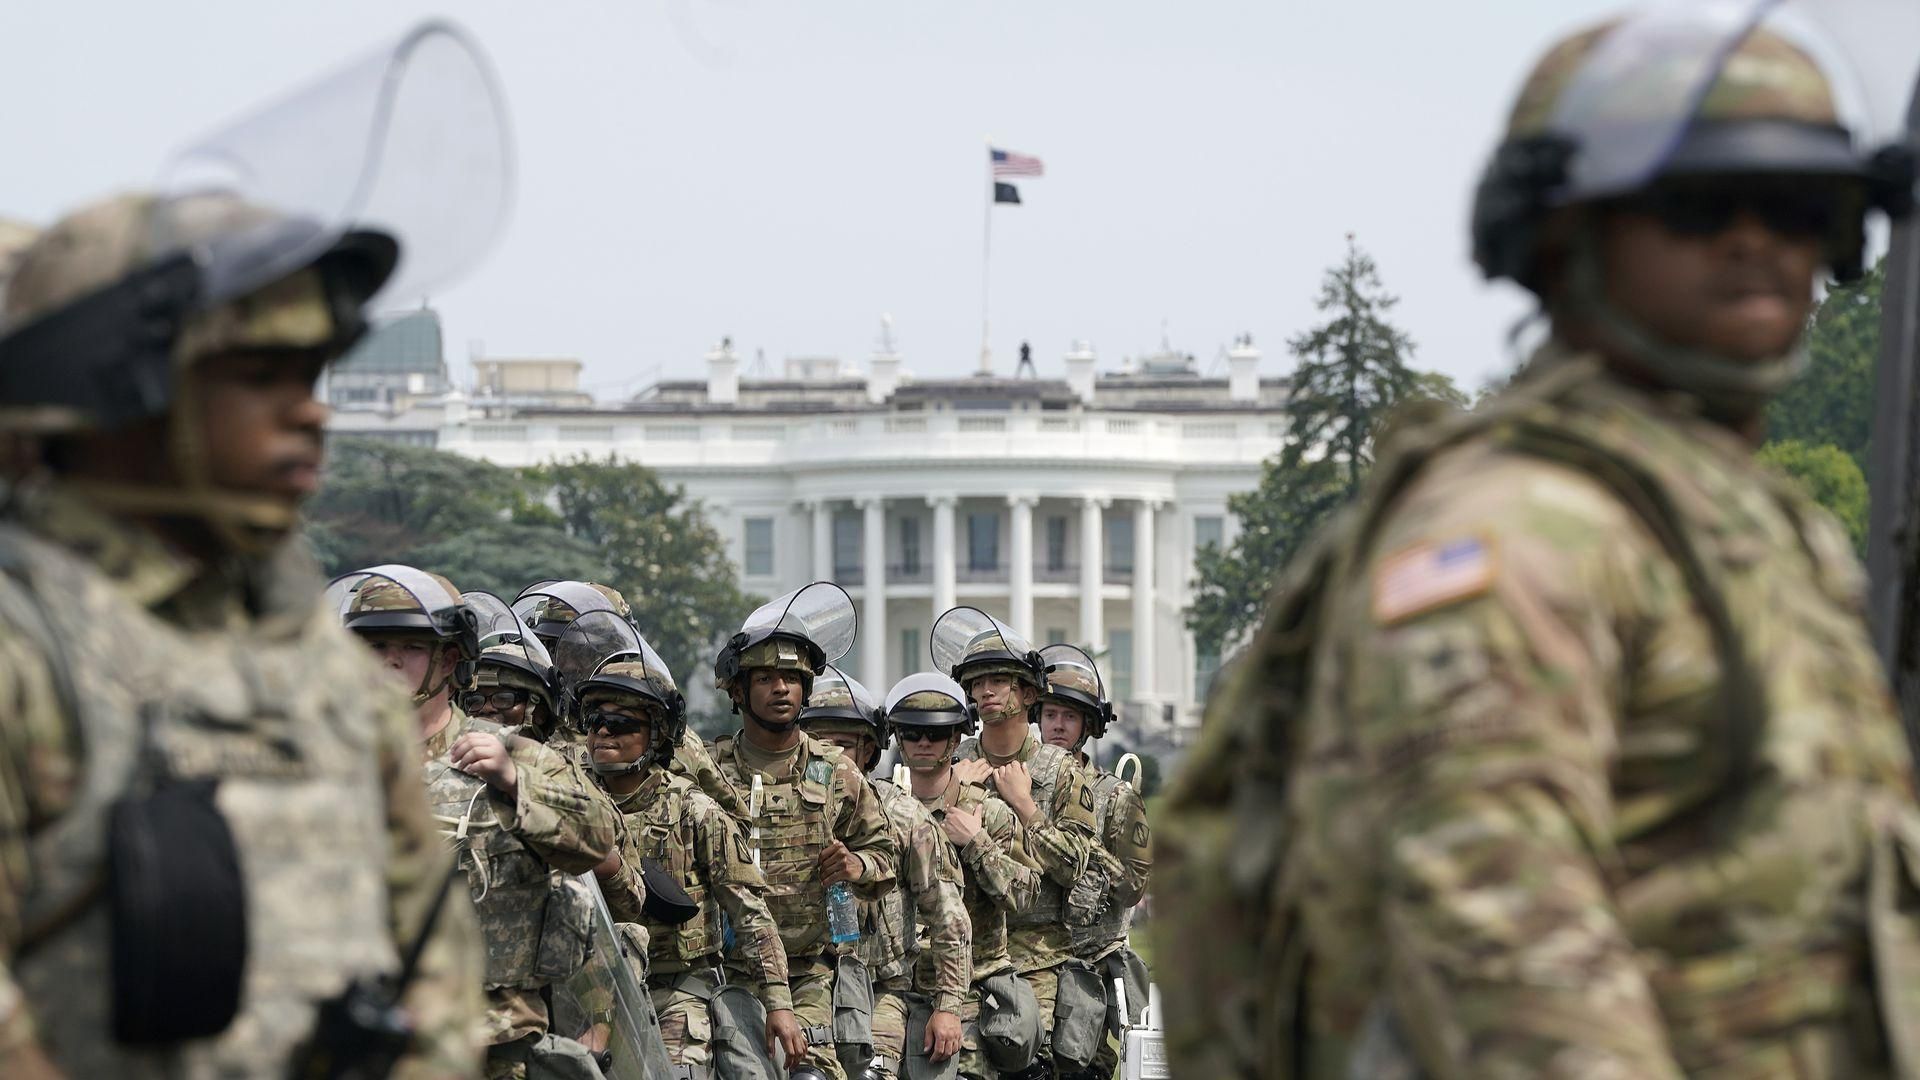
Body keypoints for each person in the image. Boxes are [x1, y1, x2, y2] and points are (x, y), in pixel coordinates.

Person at [1155, 10, 1920, 1077]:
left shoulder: (1746, 523)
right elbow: (1500, 941)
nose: (1759, 241)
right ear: (1565, 238)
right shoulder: (1517, 529)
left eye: (1802, 205)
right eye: (1697, 205)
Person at [0, 199, 488, 1074]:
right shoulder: (26, 647)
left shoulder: (313, 667)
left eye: (311, 376)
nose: (312, 415)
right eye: (261, 376)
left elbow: (429, 957)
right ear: (129, 391)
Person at [340, 566, 621, 1078]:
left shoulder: (513, 754)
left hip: (494, 1039)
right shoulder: (330, 763)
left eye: (410, 647)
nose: (389, 661)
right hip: (367, 1037)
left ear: (449, 659)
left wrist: (515, 783)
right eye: (373, 647)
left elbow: (599, 840)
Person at [576, 647, 801, 1077]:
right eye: (594, 721)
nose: (603, 732)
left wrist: (779, 1003)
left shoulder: (695, 811)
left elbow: (750, 911)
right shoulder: (571, 802)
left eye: (620, 724)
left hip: (678, 990)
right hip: (589, 990)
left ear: (657, 734)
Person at [709, 583, 898, 1080]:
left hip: (811, 971)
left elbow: (885, 853)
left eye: (792, 678)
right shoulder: (710, 772)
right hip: (726, 972)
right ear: (738, 691)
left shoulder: (835, 770)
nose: (781, 689)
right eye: (767, 678)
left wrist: (858, 866)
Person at [935, 609, 1117, 1079]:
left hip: (1038, 956)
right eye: (978, 683)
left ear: (1029, 693)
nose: (987, 691)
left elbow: (1078, 865)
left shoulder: (1059, 771)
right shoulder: (955, 764)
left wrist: (1026, 807)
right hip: (964, 953)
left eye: (1000, 680)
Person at [800, 667, 970, 1079]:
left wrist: (948, 1007)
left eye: (842, 746)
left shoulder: (904, 816)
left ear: (867, 752)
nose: (831, 758)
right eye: (818, 745)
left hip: (882, 992)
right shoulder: (781, 817)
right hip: (801, 985)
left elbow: (947, 913)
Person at [887, 672, 1047, 1080]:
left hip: (972, 992)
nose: (923, 744)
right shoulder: (881, 811)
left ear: (955, 741)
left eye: (936, 735)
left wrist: (977, 844)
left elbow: (1028, 894)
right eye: (912, 733)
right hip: (895, 990)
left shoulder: (988, 813)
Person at [518, 578, 740, 812]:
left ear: (616, 651)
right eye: (553, 648)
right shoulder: (533, 729)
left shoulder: (665, 738)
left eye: (580, 649)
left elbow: (730, 821)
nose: (567, 661)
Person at [1030, 646, 1150, 1080]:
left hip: (1090, 966)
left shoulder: (1115, 796)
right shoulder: (1017, 784)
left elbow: (1134, 886)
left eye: (1069, 716)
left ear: (1086, 726)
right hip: (1027, 960)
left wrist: (1087, 855)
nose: (1057, 725)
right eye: (1050, 715)